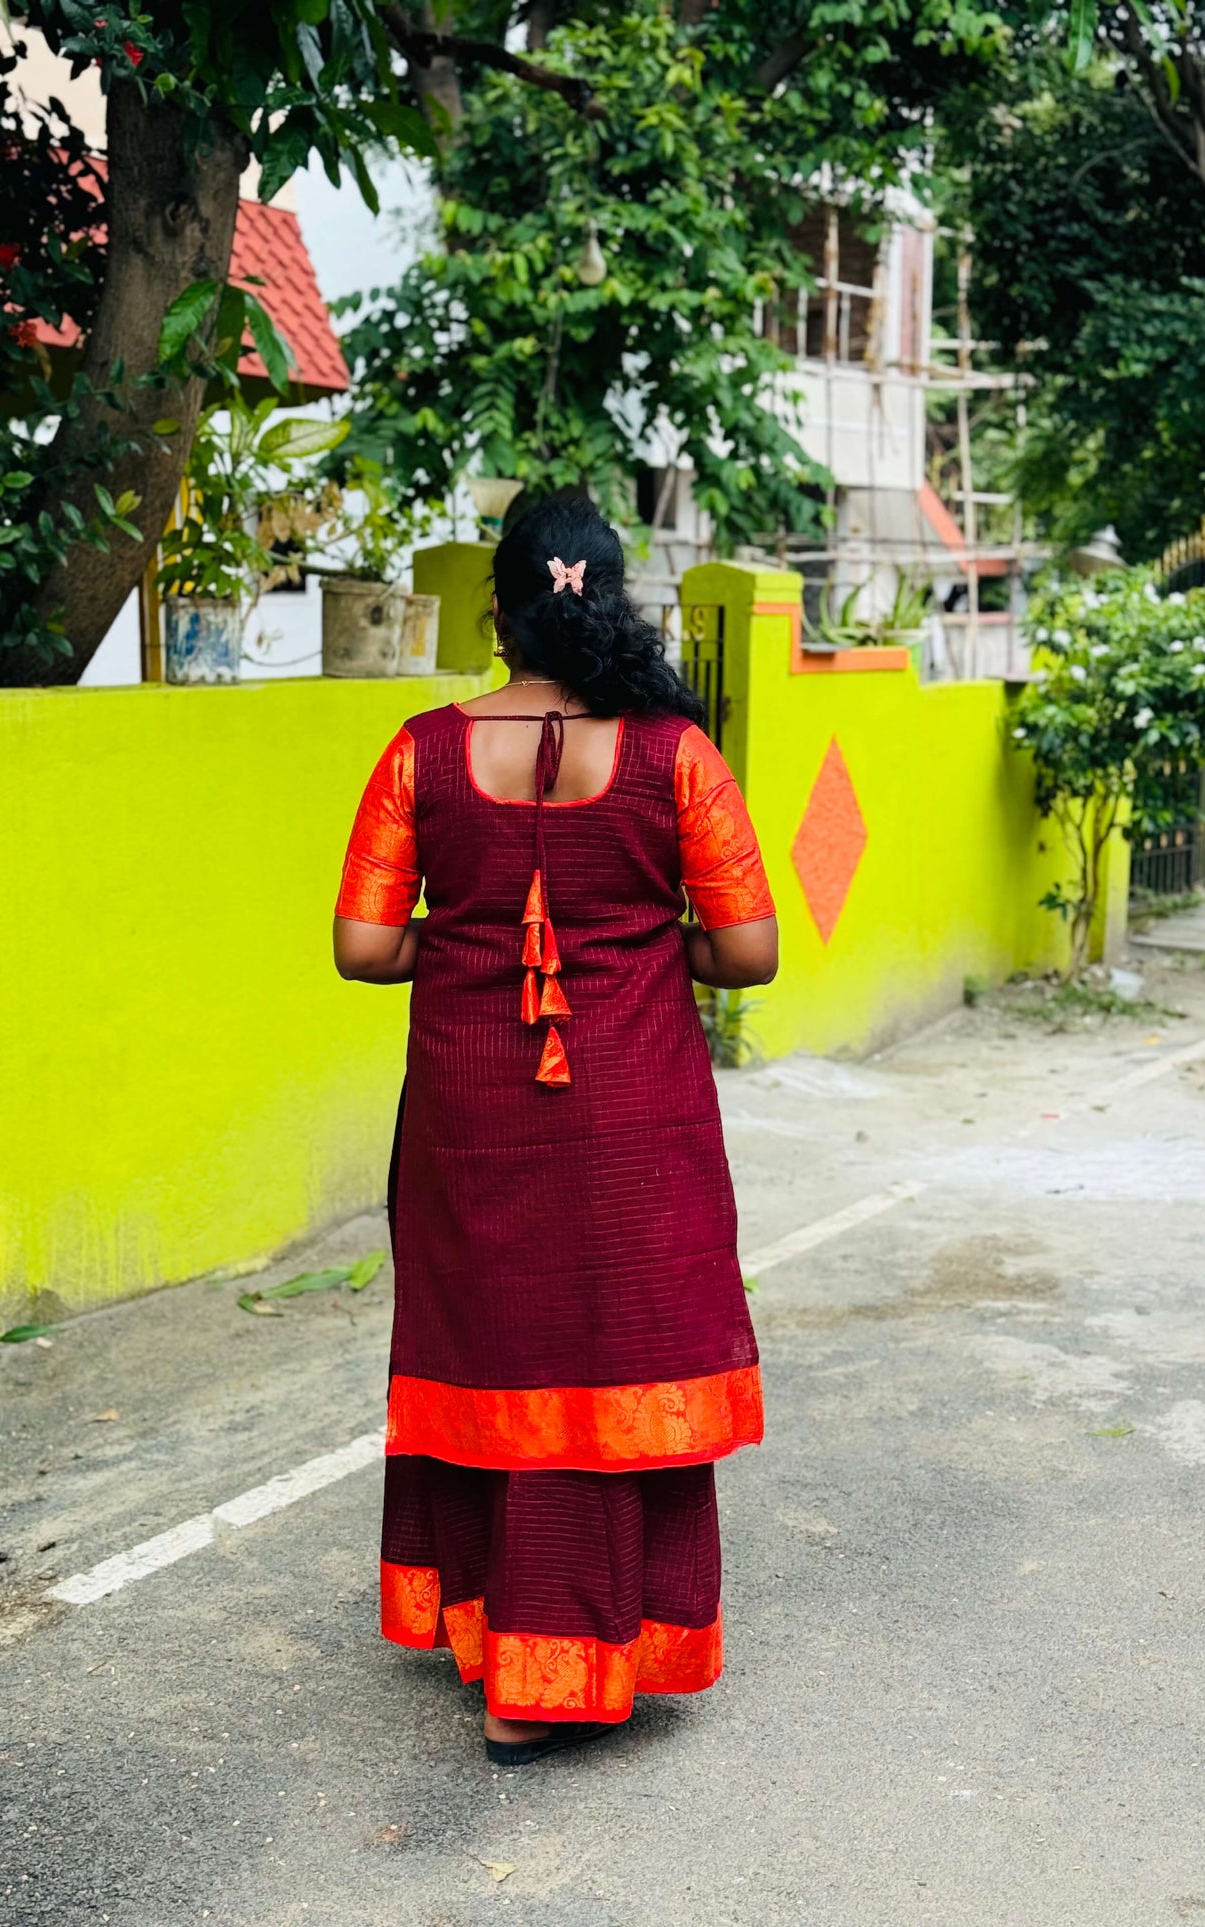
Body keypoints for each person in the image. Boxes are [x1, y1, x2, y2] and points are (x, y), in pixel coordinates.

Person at [333, 495, 778, 1766]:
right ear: (612, 601)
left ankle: (497, 1638)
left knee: (494, 1341)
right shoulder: (672, 754)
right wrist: (643, 944)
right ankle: (578, 1660)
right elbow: (747, 951)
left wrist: (469, 940)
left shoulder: (420, 754)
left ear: (498, 611)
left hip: (470, 1113)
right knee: (616, 1344)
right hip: (633, 1107)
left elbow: (364, 947)